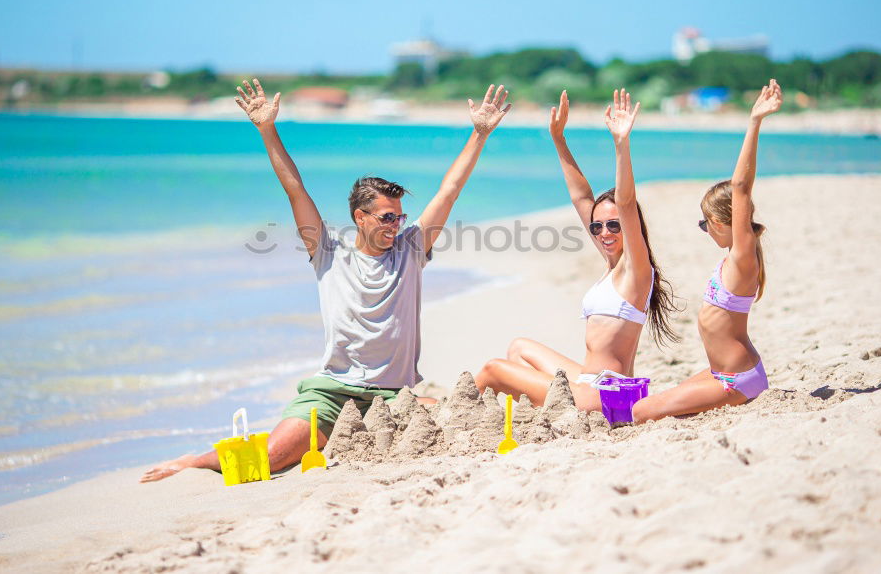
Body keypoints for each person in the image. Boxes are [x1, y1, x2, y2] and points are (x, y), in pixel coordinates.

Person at [141, 79, 512, 481]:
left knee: (462, 418)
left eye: (400, 217)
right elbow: (294, 188)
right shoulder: (328, 252)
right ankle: (191, 462)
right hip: (332, 393)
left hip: (395, 396)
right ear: (361, 217)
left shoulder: (410, 250)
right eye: (388, 217)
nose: (397, 225)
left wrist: (479, 134)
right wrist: (267, 129)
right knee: (272, 457)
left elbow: (450, 190)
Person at [474, 89, 679, 411]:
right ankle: (525, 418)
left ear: (630, 226)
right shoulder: (612, 264)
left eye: (614, 225)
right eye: (597, 227)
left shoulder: (636, 268)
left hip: (612, 396)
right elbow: (583, 198)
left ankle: (456, 412)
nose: (604, 232)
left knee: (492, 369)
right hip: (589, 383)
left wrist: (621, 143)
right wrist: (558, 139)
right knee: (519, 348)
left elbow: (625, 203)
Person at [632, 79, 782, 423]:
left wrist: (755, 121)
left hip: (736, 379)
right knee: (656, 401)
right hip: (720, 371)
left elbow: (741, 188)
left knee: (640, 412)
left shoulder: (744, 256)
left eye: (706, 223)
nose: (705, 231)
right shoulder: (732, 257)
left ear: (722, 221)